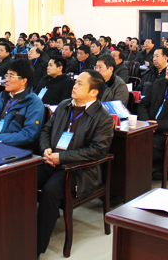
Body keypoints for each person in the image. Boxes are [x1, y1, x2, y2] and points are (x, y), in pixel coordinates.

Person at [36, 70, 114, 257]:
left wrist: (62, 158)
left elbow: (97, 151)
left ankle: (35, 247)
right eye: (75, 82)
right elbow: (46, 129)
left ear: (93, 92)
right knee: (20, 179)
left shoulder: (103, 117)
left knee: (50, 191)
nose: (74, 86)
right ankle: (15, 232)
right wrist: (46, 148)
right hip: (50, 160)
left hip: (78, 170)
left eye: (80, 84)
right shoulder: (65, 105)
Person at [0, 59, 44, 145]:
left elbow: (29, 134)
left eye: (11, 76)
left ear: (23, 81)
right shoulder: (1, 96)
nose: (6, 80)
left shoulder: (33, 103)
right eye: (6, 75)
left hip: (11, 147)